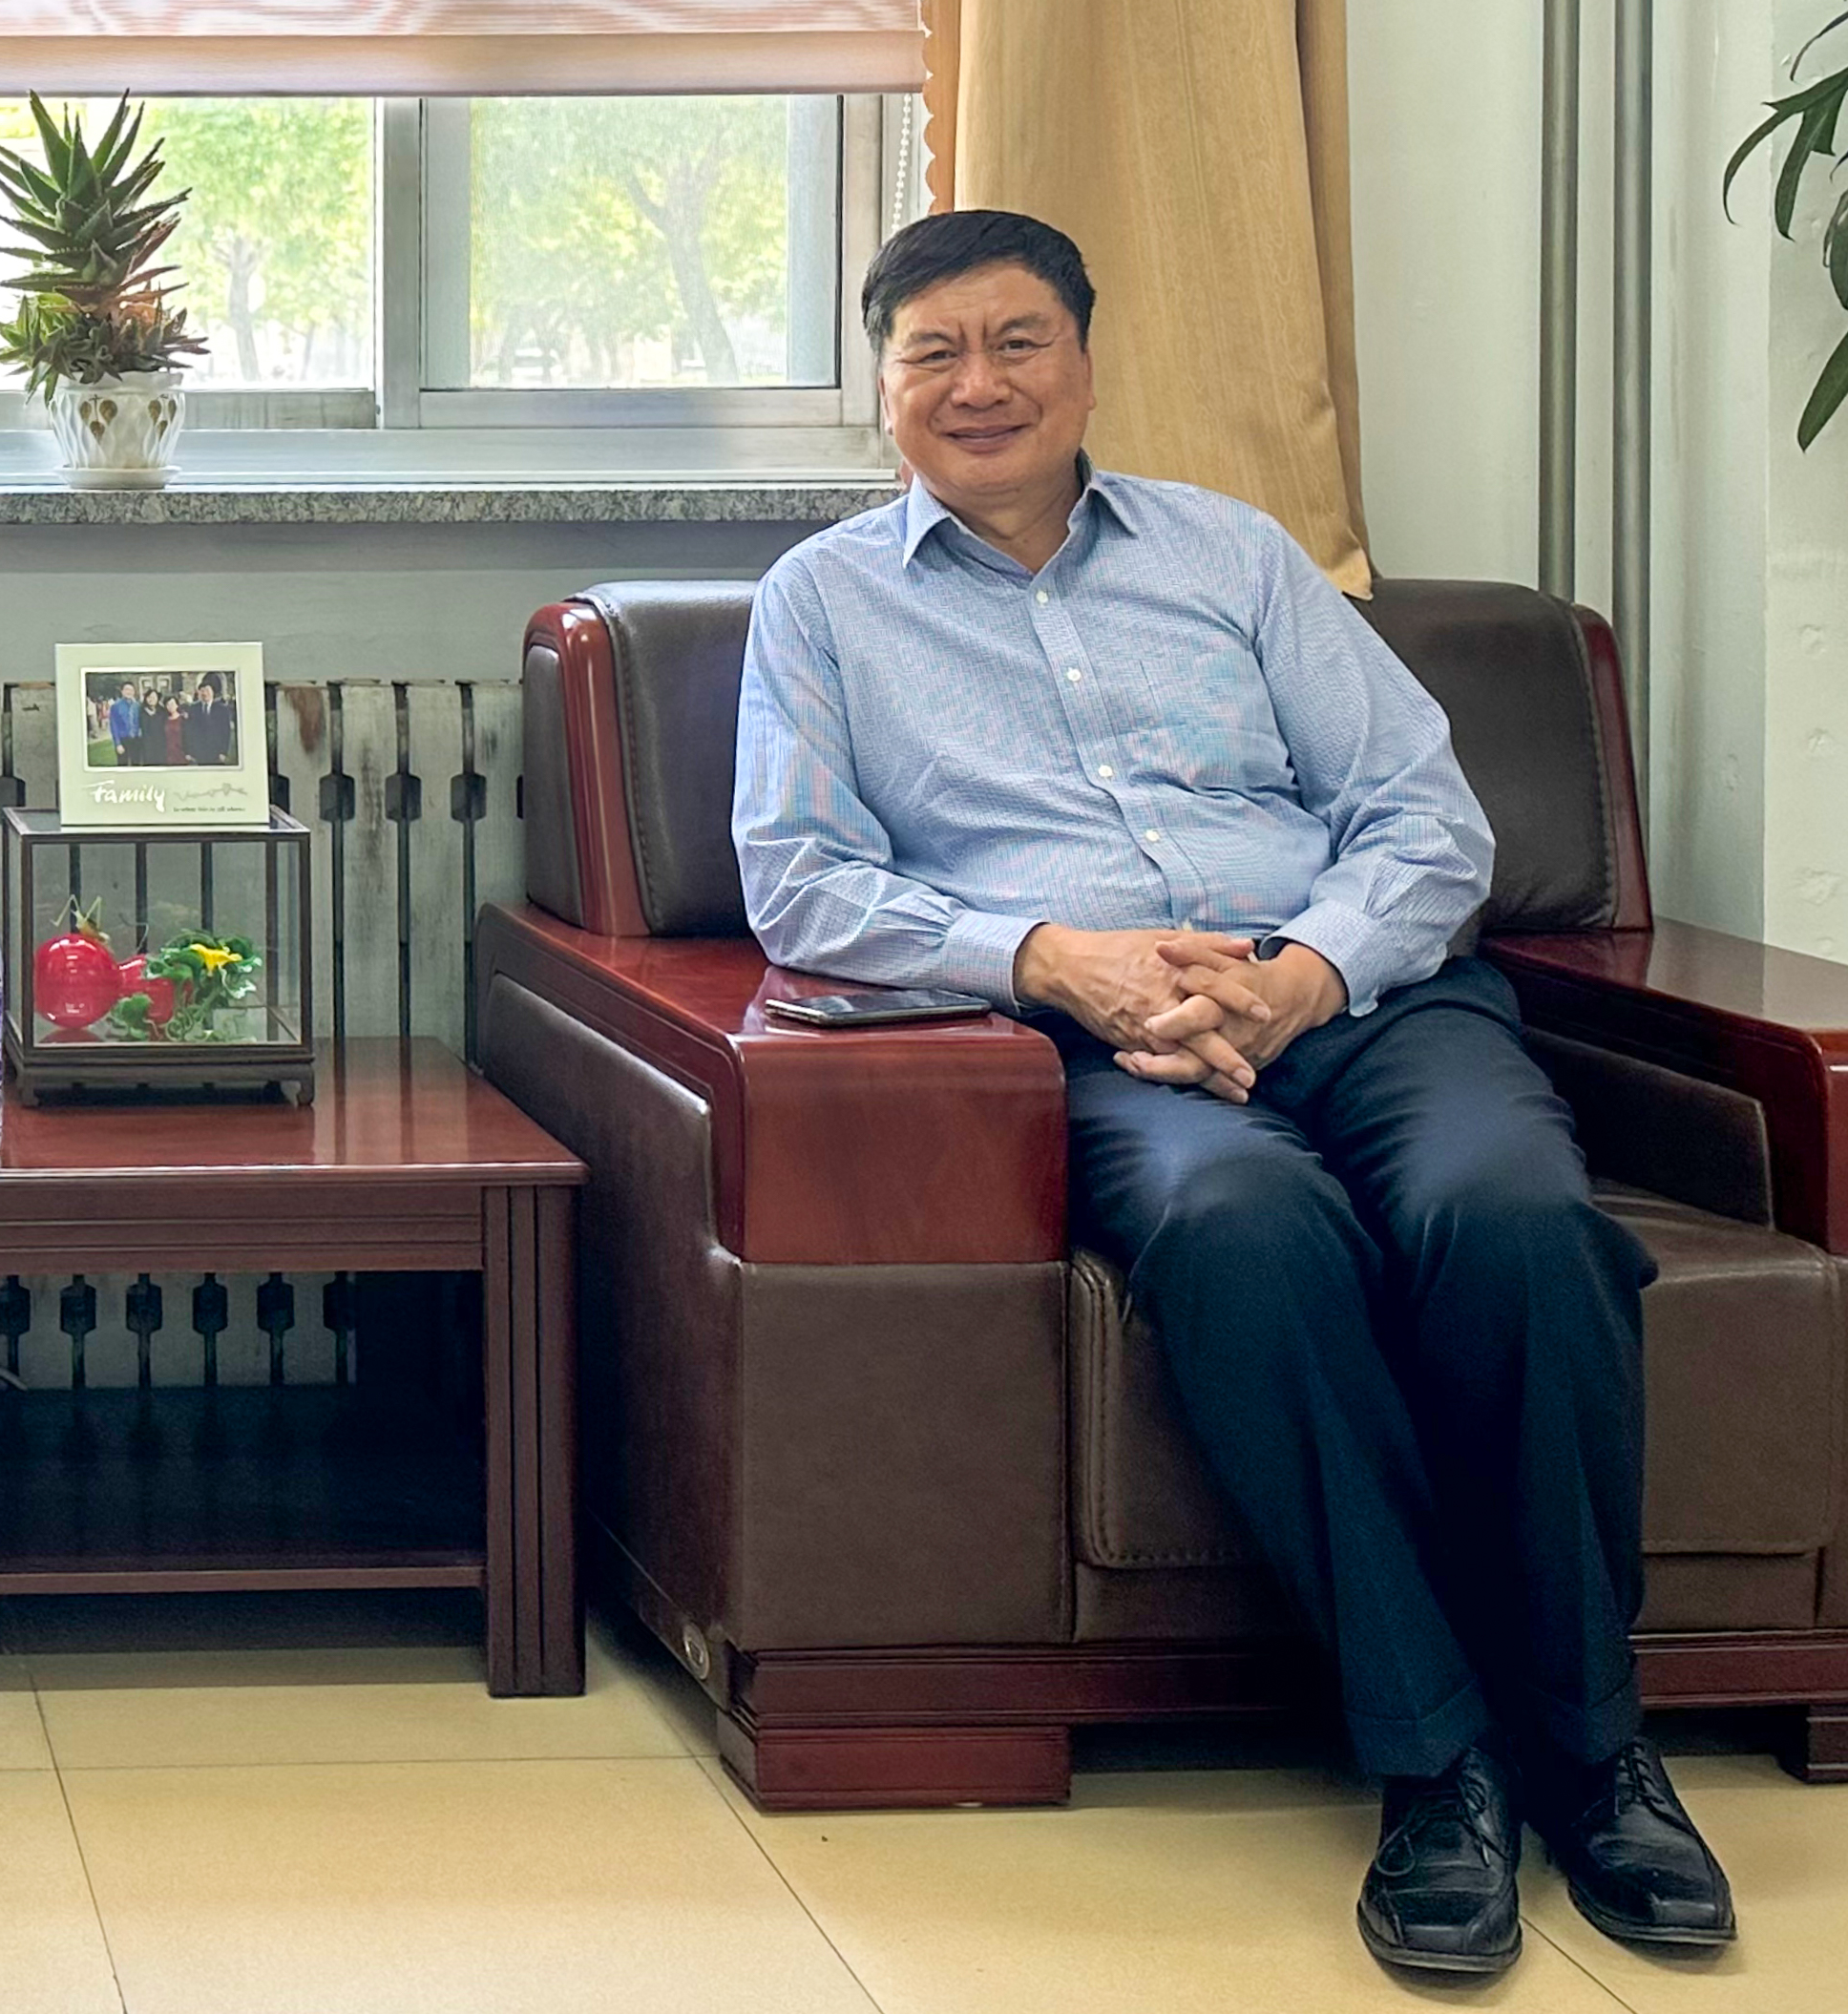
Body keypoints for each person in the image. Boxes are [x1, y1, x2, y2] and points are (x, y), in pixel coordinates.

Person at [729, 207, 1732, 1979]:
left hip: (1354, 996)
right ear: (881, 387)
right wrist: (1057, 960)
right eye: (931, 352)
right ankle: (1436, 1761)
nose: (978, 383)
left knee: (1515, 1219)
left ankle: (1592, 1751)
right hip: (1091, 1039)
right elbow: (799, 884)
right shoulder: (821, 601)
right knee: (1242, 1226)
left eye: (1016, 341)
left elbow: (1422, 816)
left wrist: (1298, 977)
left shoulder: (1232, 553)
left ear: (1083, 360)